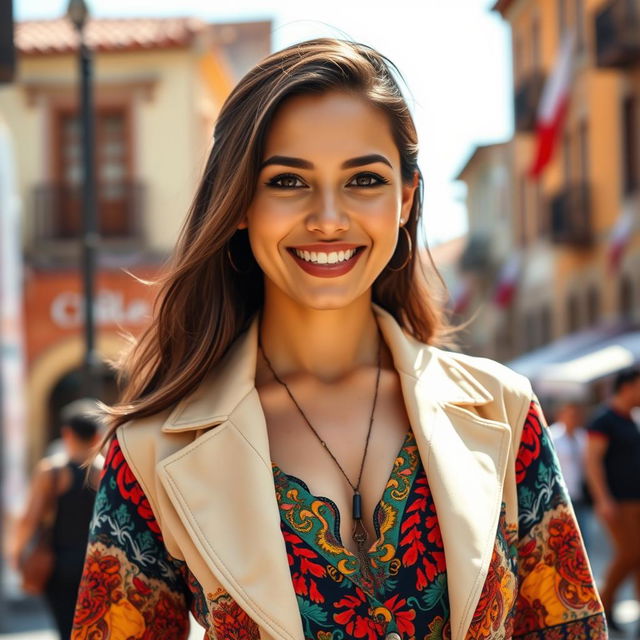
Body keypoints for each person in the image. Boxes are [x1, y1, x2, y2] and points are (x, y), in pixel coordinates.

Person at [71, 39, 606, 640]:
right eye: (289, 181)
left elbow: (567, 628)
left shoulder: (504, 410)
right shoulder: (152, 452)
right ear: (241, 202)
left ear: (404, 199)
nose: (328, 217)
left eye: (364, 179)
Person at [11, 399, 102, 640]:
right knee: (94, 629)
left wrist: (16, 553)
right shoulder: (106, 472)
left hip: (59, 565)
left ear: (66, 434)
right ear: (97, 436)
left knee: (66, 629)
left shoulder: (52, 471)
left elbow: (29, 519)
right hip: (98, 565)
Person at [585, 367, 640, 633]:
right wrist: (602, 499)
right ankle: (602, 607)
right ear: (628, 386)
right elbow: (592, 462)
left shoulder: (630, 418)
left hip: (635, 500)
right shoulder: (603, 420)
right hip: (617, 502)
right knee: (629, 553)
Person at [549, 402, 591, 547]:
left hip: (578, 495)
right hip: (558, 498)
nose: (574, 418)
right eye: (571, 414)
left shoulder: (582, 436)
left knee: (582, 540)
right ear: (561, 415)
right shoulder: (551, 436)